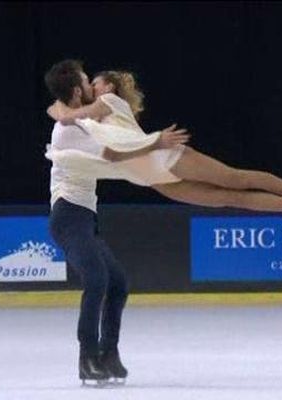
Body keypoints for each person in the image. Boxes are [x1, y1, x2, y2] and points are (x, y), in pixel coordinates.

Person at [47, 69, 282, 232]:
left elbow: (69, 116)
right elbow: (105, 150)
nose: (92, 86)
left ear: (108, 86)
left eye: (94, 82)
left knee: (235, 179)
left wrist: (62, 109)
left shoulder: (109, 102)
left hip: (164, 156)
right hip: (155, 179)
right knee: (228, 198)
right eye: (87, 82)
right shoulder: (92, 124)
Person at [44, 60, 188, 385]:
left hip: (83, 217)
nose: (91, 87)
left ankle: (109, 354)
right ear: (77, 90)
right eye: (86, 81)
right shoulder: (69, 130)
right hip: (68, 216)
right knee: (96, 279)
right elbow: (112, 154)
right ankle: (87, 358)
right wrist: (156, 142)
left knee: (118, 282)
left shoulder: (81, 122)